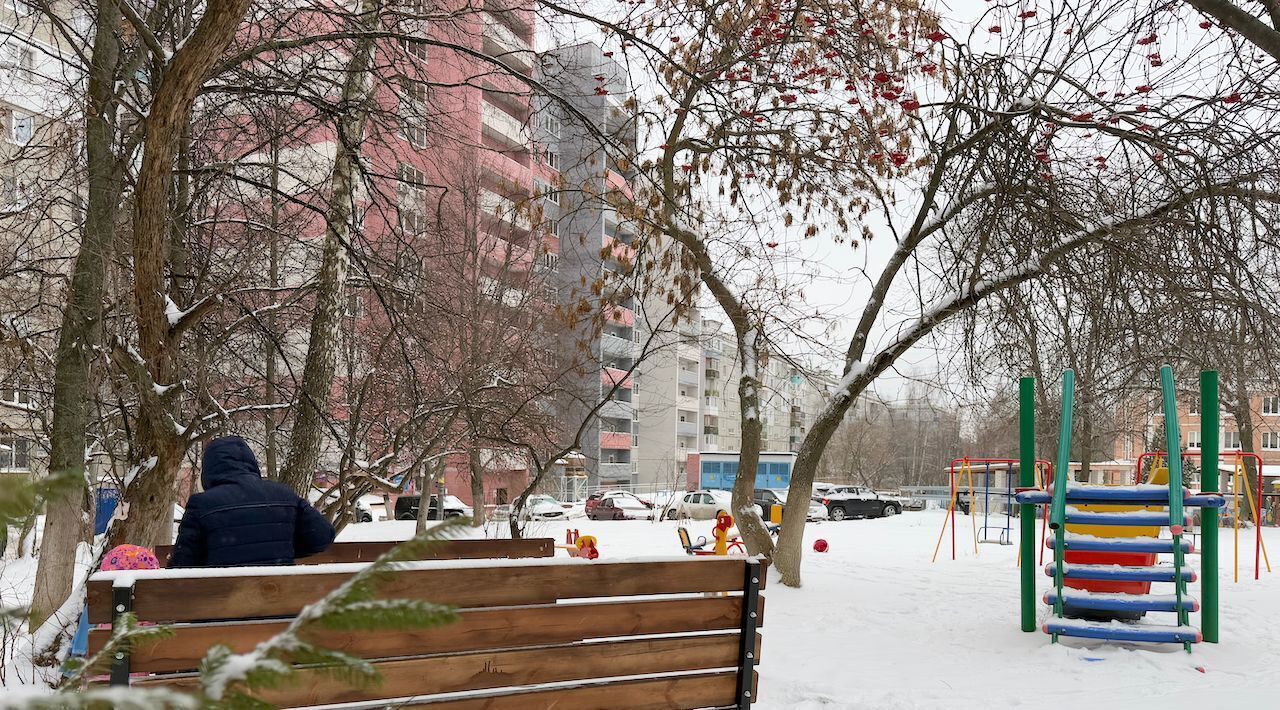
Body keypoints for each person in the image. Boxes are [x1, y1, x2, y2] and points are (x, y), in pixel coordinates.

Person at [169, 436, 335, 567]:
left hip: (223, 603)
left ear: (209, 469)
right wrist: (279, 550)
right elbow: (323, 536)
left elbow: (183, 567)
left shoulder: (202, 504)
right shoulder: (284, 495)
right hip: (280, 601)